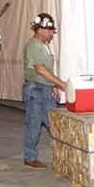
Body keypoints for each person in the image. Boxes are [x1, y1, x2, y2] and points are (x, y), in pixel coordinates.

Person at [22, 12, 68, 169]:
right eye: (49, 30)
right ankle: (29, 157)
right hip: (35, 90)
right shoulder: (33, 46)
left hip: (45, 89)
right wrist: (61, 84)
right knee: (35, 124)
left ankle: (63, 157)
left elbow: (48, 68)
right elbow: (40, 70)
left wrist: (53, 86)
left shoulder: (45, 46)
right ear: (40, 30)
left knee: (54, 124)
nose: (51, 34)